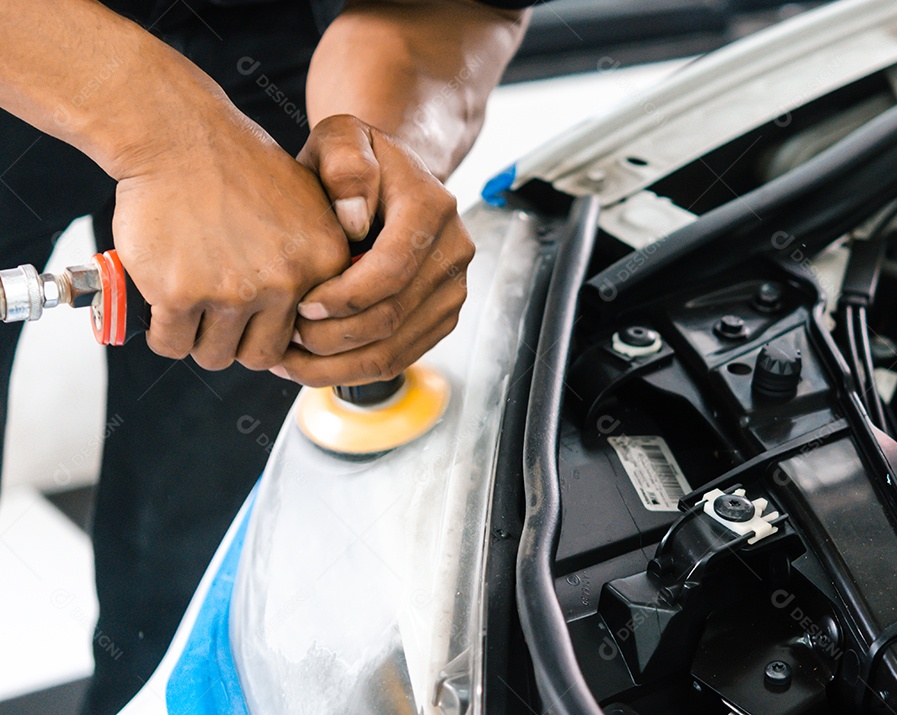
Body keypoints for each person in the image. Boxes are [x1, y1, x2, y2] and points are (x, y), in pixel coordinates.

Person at [0, 0, 530, 711]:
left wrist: (372, 163)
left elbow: (461, 9)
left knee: (203, 554)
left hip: (267, 66)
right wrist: (170, 133)